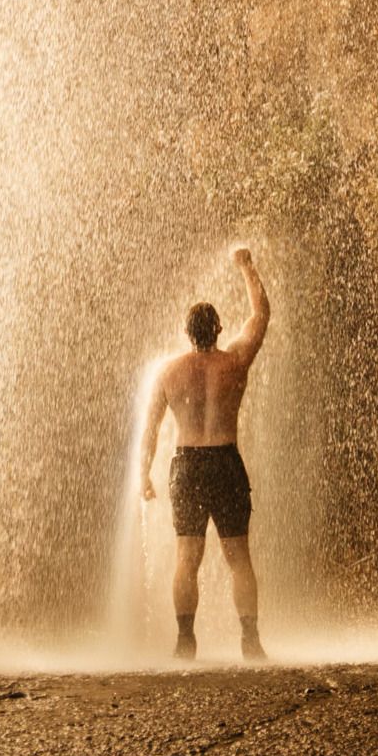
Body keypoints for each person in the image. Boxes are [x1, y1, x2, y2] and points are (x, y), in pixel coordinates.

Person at [138, 243, 270, 662]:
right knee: (238, 557)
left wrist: (144, 473)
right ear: (217, 329)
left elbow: (152, 428)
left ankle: (184, 641)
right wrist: (246, 266)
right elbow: (261, 315)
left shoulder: (168, 372)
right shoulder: (235, 362)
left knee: (187, 556)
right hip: (225, 461)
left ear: (186, 331)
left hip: (187, 465)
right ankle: (250, 640)